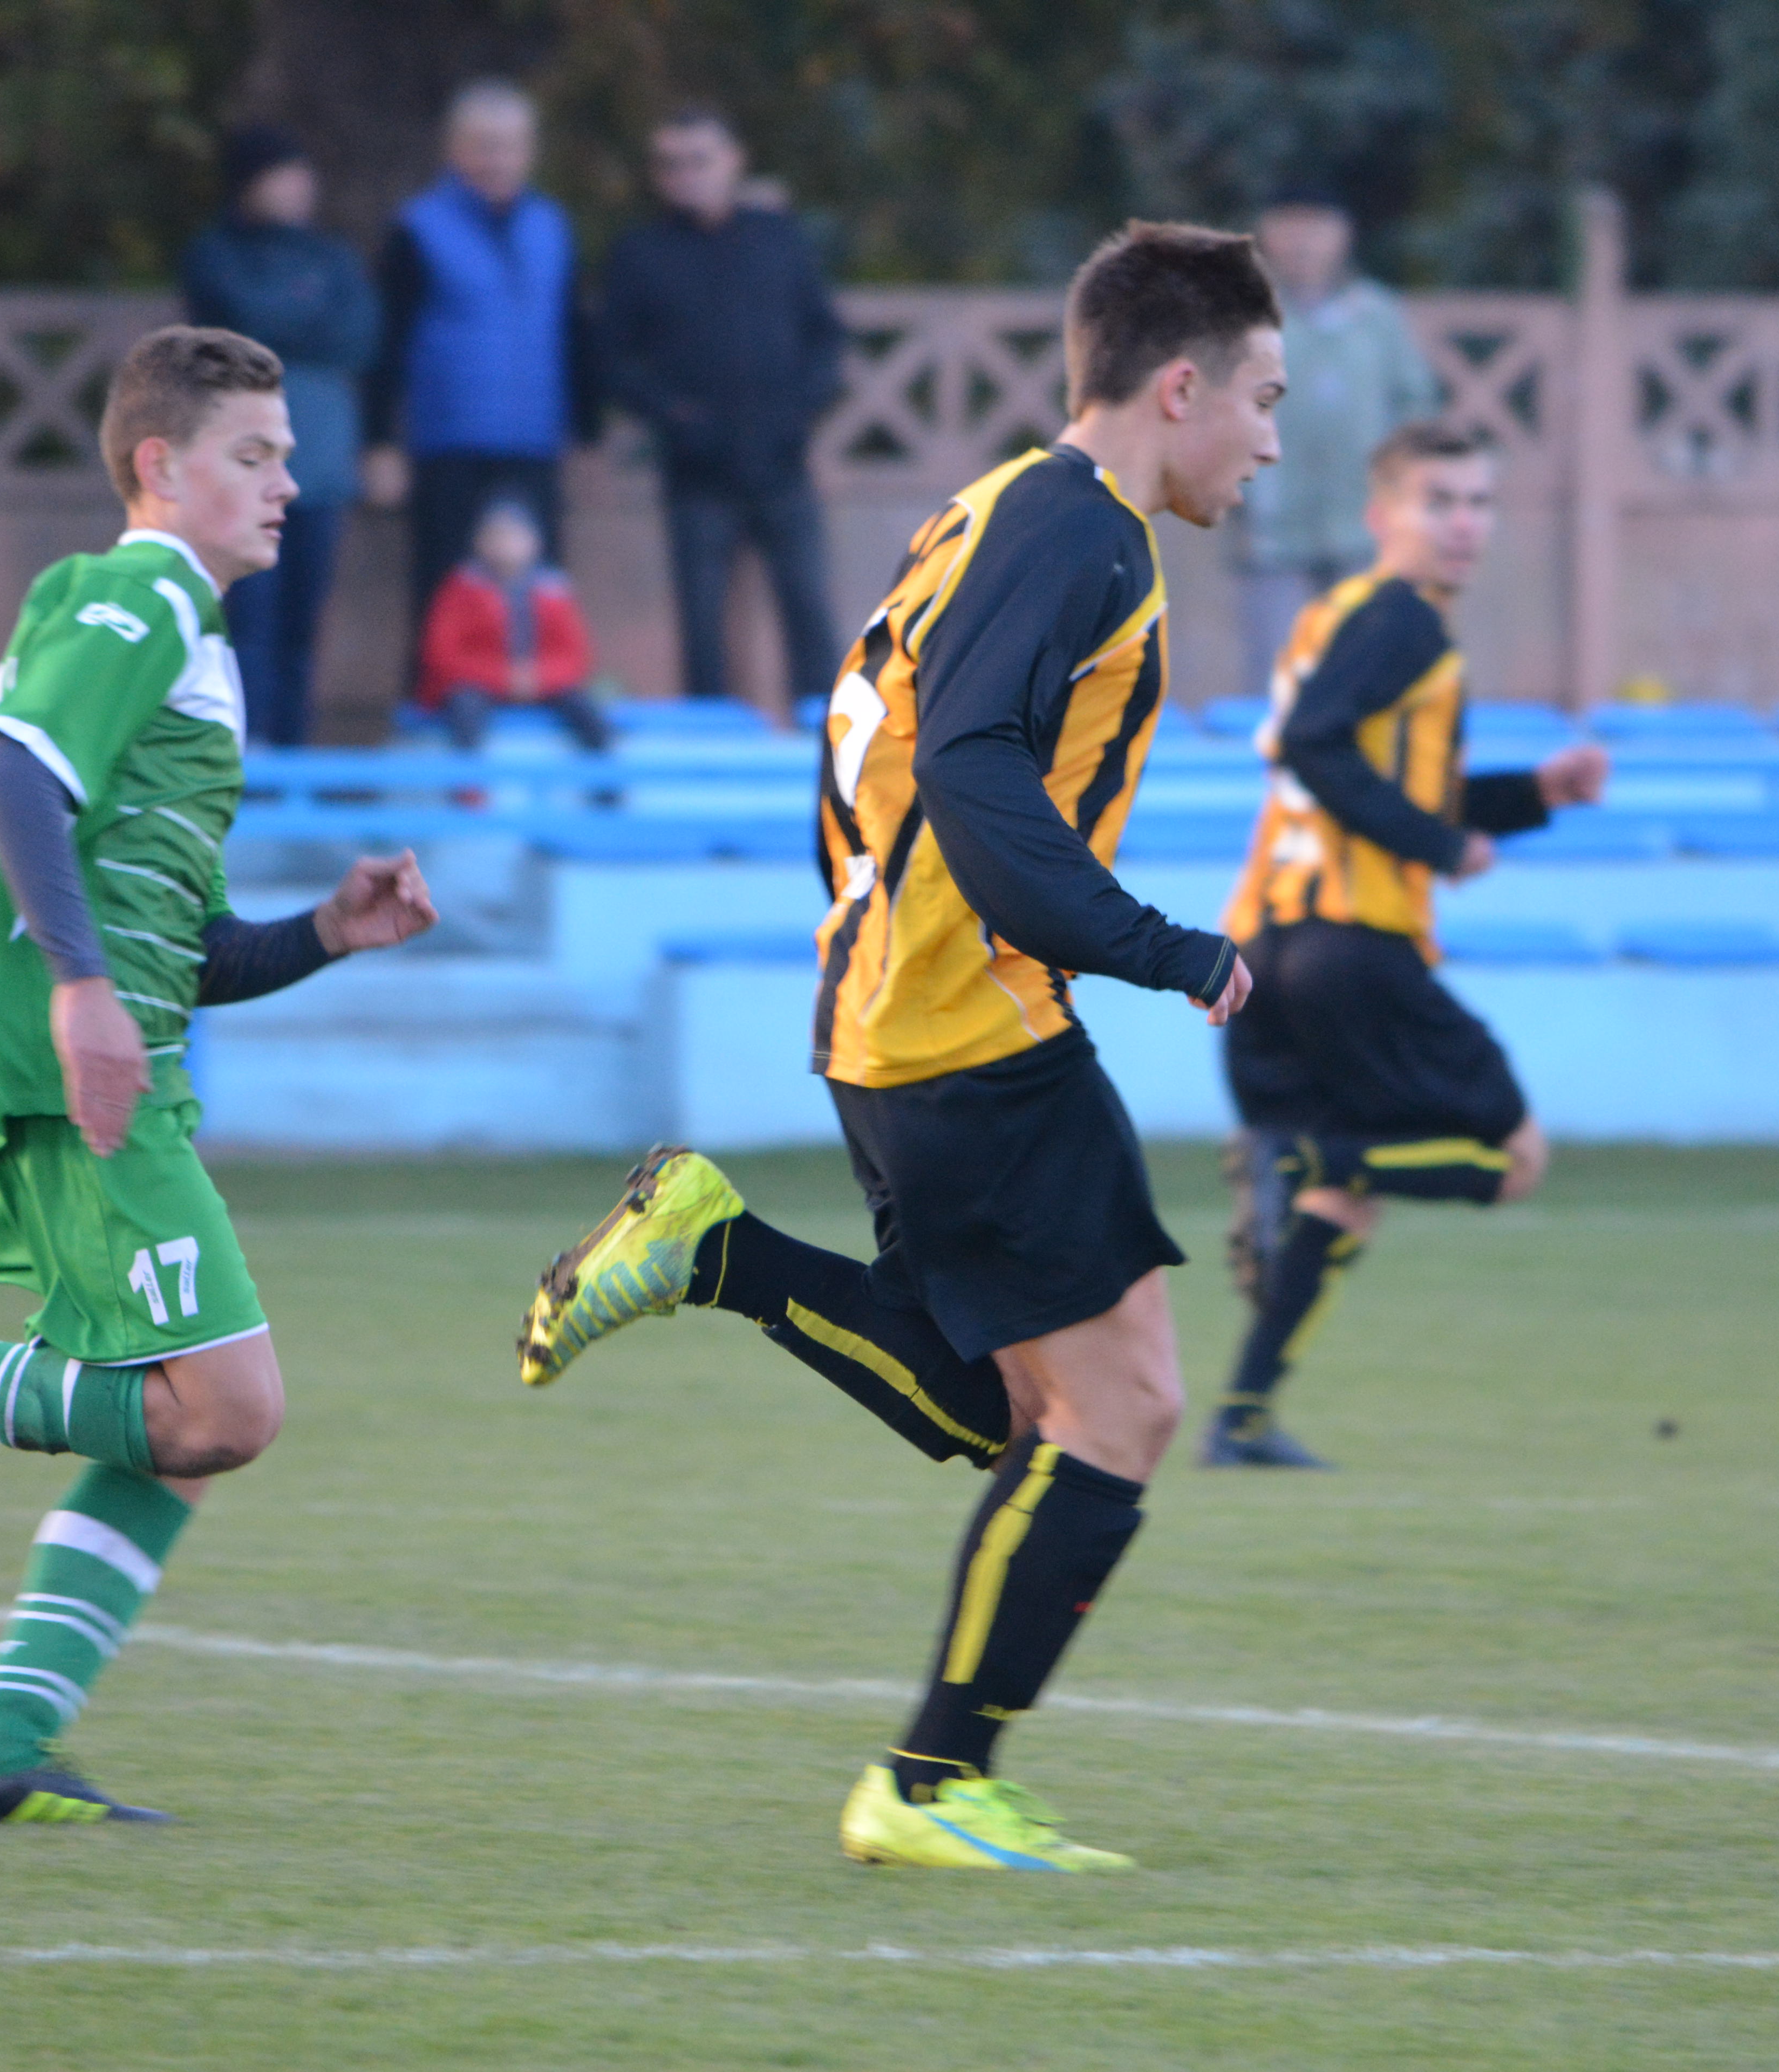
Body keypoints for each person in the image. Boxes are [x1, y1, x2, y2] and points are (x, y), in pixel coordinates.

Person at [514, 224, 1283, 1872]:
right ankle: (931, 1783)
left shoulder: (997, 506)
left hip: (895, 1014)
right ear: (1179, 386)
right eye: (1264, 399)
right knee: (1123, 1409)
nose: (1270, 441)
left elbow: (893, 744)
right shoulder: (1086, 535)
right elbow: (972, 772)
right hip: (967, 1021)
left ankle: (714, 1251)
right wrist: (1165, 950)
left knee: (1015, 1413)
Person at [0, 329, 439, 1824]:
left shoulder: (192, 641)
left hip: (111, 1049)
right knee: (227, 1408)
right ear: (158, 466)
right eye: (254, 455)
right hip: (64, 1058)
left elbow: (188, 948)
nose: (288, 483)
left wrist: (325, 932)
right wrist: (81, 988)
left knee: (177, 1423)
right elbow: (9, 768)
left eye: (290, 456)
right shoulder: (143, 592)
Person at [1202, 421, 1608, 1469]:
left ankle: (1242, 1416)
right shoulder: (1405, 622)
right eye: (1441, 502)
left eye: (1479, 502)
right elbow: (1318, 747)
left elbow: (1361, 775)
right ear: (1382, 516)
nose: (1465, 524)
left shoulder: (1334, 617)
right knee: (1511, 1157)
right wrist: (1440, 847)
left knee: (1351, 1194)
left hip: (1263, 947)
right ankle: (1293, 1160)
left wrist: (1533, 795)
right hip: (1354, 946)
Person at [598, 104, 847, 713]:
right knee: (702, 625)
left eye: (700, 161)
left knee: (809, 611)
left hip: (782, 464)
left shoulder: (778, 239)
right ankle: (711, 743)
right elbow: (611, 360)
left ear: (735, 160)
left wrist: (800, 413)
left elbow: (825, 337)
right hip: (697, 472)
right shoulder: (640, 253)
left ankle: (828, 743)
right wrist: (675, 418)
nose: (687, 175)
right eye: (671, 165)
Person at [360, 80, 584, 674]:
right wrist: (380, 440)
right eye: (484, 146)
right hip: (449, 444)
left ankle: (535, 716)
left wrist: (585, 430)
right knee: (444, 597)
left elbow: (573, 332)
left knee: (540, 600)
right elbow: (387, 341)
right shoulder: (418, 228)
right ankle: (436, 713)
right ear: (454, 150)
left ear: (530, 151)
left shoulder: (552, 225)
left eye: (510, 146)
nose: (497, 160)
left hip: (533, 443)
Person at [182, 125, 378, 747]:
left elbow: (360, 336)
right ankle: (242, 752)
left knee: (301, 626)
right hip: (241, 474)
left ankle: (293, 753)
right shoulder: (216, 254)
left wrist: (287, 323)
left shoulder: (334, 258)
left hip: (319, 470)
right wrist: (304, 319)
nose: (297, 189)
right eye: (281, 176)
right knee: (248, 623)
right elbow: (245, 325)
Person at [1230, 193, 1440, 697]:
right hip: (1271, 534)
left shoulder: (1377, 316)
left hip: (1365, 530)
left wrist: (1402, 491)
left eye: (1317, 226)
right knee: (1278, 680)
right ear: (1265, 232)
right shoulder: (1242, 316)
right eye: (1289, 224)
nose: (1303, 241)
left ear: (1344, 234)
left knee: (1367, 676)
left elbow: (1417, 407)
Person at [412, 497, 611, 753]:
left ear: (535, 542)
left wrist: (537, 678)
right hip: (477, 686)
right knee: (464, 711)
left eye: (514, 536)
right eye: (497, 535)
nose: (505, 545)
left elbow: (576, 656)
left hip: (543, 684)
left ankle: (603, 774)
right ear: (479, 541)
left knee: (588, 711)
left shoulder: (554, 591)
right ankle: (469, 777)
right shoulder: (460, 588)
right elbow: (441, 655)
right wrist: (504, 678)